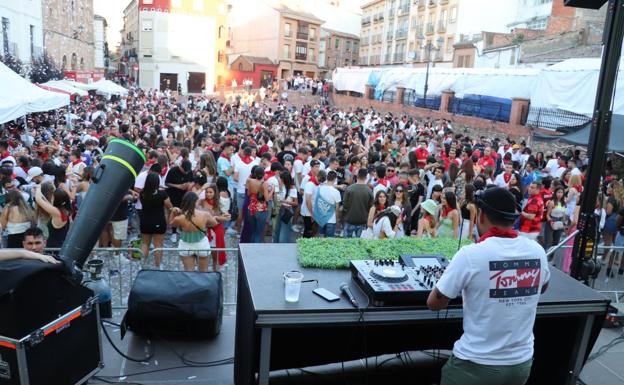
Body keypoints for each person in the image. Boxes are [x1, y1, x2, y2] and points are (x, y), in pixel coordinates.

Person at [427, 187, 550, 385]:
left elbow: (434, 303)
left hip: (475, 365)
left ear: (481, 215)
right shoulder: (537, 251)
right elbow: (542, 287)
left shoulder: (471, 254)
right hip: (520, 365)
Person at [169, 192, 218, 272]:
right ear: (195, 202)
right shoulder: (204, 214)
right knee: (203, 272)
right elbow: (214, 223)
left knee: (189, 273)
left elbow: (171, 224)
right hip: (202, 245)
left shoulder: (180, 218)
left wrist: (173, 213)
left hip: (186, 246)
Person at [139, 173, 173, 267]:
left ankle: (142, 264)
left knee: (145, 243)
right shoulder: (162, 194)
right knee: (158, 245)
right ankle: (158, 265)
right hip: (159, 221)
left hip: (145, 221)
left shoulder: (142, 194)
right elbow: (169, 206)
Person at [343, 168, 373, 238]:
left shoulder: (349, 189)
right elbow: (371, 207)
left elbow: (345, 205)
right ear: (366, 177)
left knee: (346, 245)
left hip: (349, 220)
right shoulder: (369, 191)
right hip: (363, 221)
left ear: (357, 176)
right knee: (360, 245)